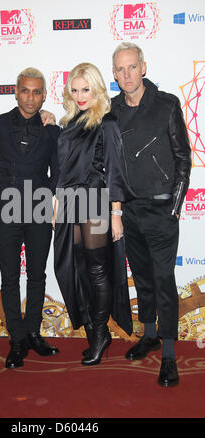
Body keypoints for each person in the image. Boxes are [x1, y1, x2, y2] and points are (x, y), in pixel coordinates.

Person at [111, 42, 191, 387]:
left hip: (161, 211)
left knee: (163, 282)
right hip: (129, 211)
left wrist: (173, 209)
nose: (126, 75)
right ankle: (149, 335)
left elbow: (183, 160)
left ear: (143, 67)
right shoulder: (111, 110)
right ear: (114, 74)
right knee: (142, 278)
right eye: (119, 69)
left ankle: (169, 355)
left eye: (131, 67)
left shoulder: (166, 105)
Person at [53, 63, 132, 366]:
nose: (80, 95)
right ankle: (93, 329)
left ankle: (99, 334)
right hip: (71, 201)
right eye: (75, 90)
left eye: (86, 89)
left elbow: (114, 170)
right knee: (76, 267)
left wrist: (116, 212)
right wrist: (58, 202)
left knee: (98, 271)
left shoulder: (107, 122)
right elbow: (63, 167)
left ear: (97, 88)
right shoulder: (70, 121)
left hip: (95, 200)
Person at [0, 67, 60, 369]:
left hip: (40, 203)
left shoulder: (53, 130)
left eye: (37, 91)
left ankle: (33, 332)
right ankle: (16, 338)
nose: (30, 97)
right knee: (10, 276)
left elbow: (58, 172)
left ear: (44, 95)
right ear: (16, 92)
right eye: (25, 90)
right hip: (6, 203)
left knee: (38, 274)